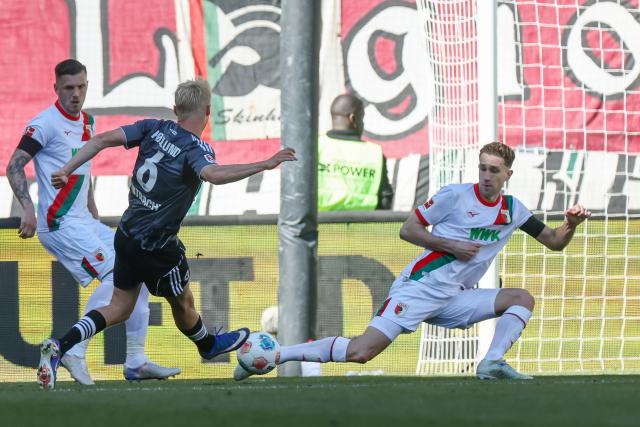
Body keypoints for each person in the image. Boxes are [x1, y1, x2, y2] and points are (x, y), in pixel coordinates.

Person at [234, 141, 592, 381]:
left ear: (507, 175)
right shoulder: (454, 196)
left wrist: (571, 225)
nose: (486, 176)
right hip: (420, 288)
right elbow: (408, 230)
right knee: (362, 352)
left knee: (521, 299)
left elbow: (554, 242)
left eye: (494, 171)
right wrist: (449, 244)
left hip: (455, 296)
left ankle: (492, 362)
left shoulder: (513, 210)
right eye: (483, 168)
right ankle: (277, 355)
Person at [36, 77, 297, 390]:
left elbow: (100, 140)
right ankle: (208, 345)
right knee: (183, 303)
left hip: (127, 233)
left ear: (175, 110)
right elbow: (213, 174)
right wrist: (265, 164)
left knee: (120, 306)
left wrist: (67, 168)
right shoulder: (195, 148)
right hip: (157, 247)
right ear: (208, 111)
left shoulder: (152, 127)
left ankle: (60, 347)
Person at [6, 59, 179, 385]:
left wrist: (93, 208)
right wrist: (26, 207)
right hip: (58, 224)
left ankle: (137, 361)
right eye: (69, 88)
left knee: (136, 270)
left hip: (83, 220)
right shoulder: (44, 123)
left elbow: (81, 169)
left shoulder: (87, 121)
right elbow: (15, 165)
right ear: (55, 88)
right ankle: (73, 350)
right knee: (117, 275)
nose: (76, 94)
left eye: (81, 87)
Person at [318, 94, 393, 211]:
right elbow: (385, 199)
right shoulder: (374, 153)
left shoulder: (316, 147)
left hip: (320, 226)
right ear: (353, 118)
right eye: (361, 118)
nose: (362, 124)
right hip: (362, 227)